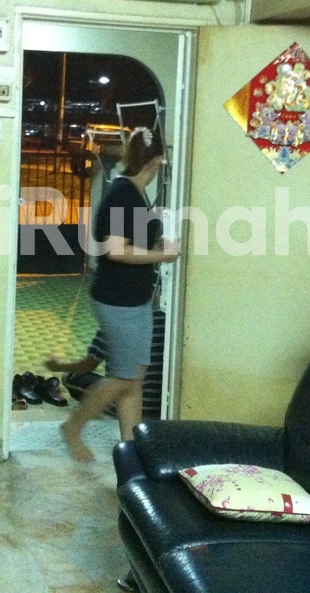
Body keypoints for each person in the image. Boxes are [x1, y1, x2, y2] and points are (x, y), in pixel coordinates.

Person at [58, 126, 179, 461]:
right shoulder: (122, 194)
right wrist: (161, 256)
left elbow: (133, 241)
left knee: (134, 379)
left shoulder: (136, 192)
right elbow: (115, 250)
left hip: (136, 298)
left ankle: (131, 448)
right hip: (117, 299)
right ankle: (72, 426)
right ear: (155, 160)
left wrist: (156, 245)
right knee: (122, 377)